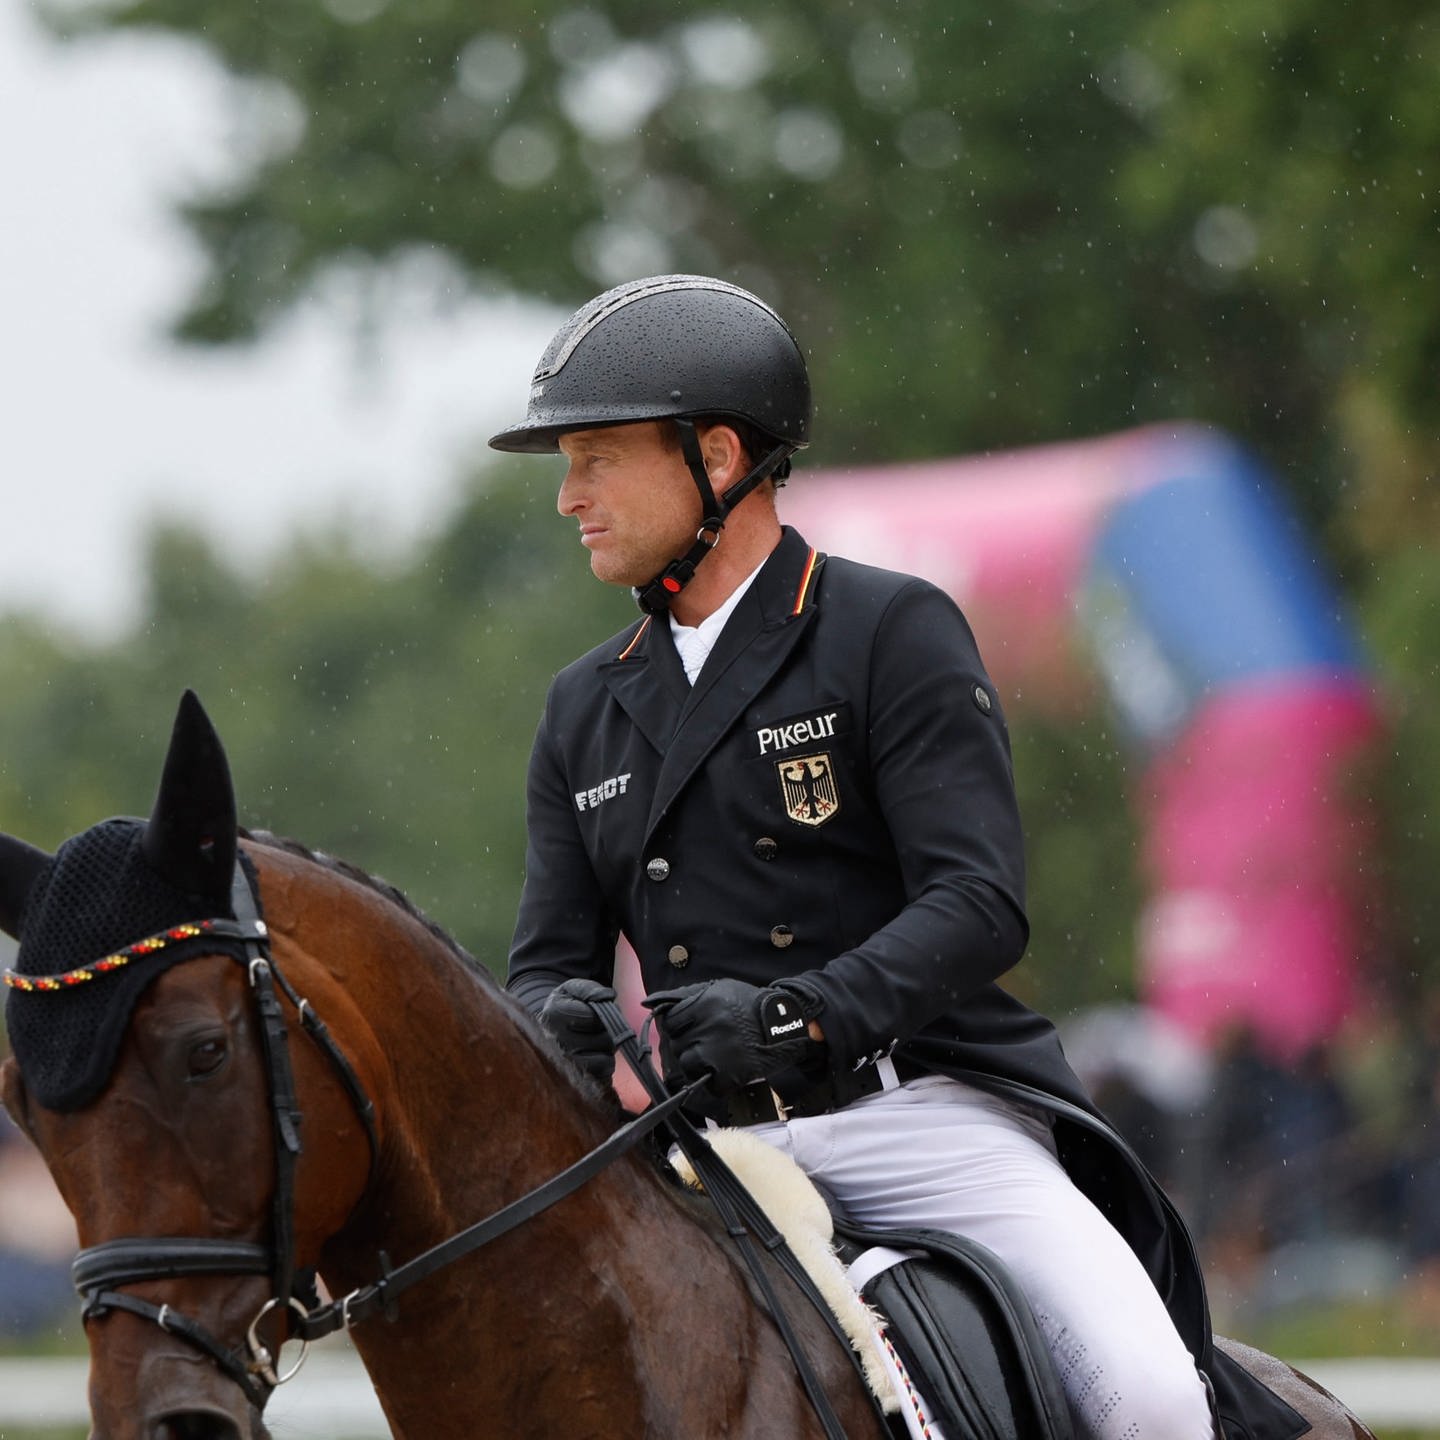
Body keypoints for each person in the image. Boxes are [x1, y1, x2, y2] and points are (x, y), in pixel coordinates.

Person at [490, 274, 1302, 1440]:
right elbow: (544, 962)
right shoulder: (584, 705)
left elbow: (977, 904)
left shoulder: (885, 629)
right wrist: (559, 1017)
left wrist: (798, 1015)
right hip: (698, 1146)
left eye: (596, 459)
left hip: (911, 1115)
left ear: (716, 459)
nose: (568, 498)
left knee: (1155, 1399)